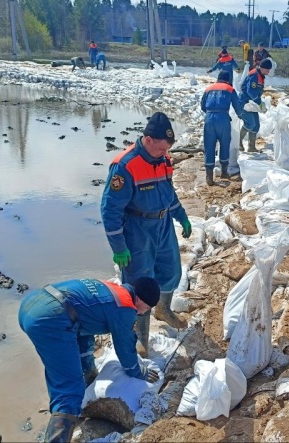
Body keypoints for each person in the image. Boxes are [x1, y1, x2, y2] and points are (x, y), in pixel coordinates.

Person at [19, 277, 161, 442]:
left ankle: (77, 400)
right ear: (141, 299)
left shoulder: (112, 289)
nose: (143, 313)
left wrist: (89, 370)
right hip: (50, 319)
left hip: (31, 305)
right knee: (69, 388)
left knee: (66, 371)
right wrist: (139, 371)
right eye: (147, 308)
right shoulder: (125, 307)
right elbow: (125, 350)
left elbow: (83, 328)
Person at [101, 112, 191, 356]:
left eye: (167, 149)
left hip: (162, 226)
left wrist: (181, 216)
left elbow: (168, 194)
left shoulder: (163, 160)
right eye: (161, 148)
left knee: (171, 271)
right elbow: (110, 210)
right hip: (137, 230)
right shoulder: (125, 166)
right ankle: (141, 337)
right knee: (141, 283)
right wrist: (118, 247)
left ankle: (164, 308)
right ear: (148, 139)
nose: (165, 153)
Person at [201, 70, 244, 185]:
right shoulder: (229, 89)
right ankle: (224, 172)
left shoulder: (208, 89)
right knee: (225, 144)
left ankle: (209, 177)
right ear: (228, 79)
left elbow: (202, 106)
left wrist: (211, 113)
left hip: (209, 119)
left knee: (209, 146)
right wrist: (241, 116)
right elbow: (237, 107)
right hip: (223, 119)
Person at [238, 58, 272, 153]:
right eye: (267, 70)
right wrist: (259, 103)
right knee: (250, 123)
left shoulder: (260, 75)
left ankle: (251, 147)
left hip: (251, 104)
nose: (268, 72)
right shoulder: (254, 75)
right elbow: (250, 91)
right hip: (244, 103)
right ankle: (238, 142)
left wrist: (259, 103)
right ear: (261, 68)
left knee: (256, 125)